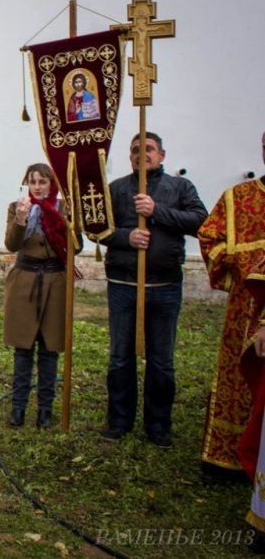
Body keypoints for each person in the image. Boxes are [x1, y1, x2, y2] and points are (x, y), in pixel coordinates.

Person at [98, 132, 207, 448]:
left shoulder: (180, 188)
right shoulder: (116, 189)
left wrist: (156, 210)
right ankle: (119, 421)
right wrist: (125, 238)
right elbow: (98, 228)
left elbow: (200, 222)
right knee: (120, 357)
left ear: (161, 154)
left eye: (147, 149)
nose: (140, 154)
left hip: (164, 286)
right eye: (134, 150)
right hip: (123, 285)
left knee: (161, 361)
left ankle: (158, 425)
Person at [199, 131, 265, 486]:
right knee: (236, 375)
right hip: (245, 306)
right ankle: (225, 455)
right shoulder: (237, 197)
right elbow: (209, 238)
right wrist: (239, 267)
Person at [3, 163, 77, 429]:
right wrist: (21, 220)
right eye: (32, 182)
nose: (37, 187)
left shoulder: (63, 209)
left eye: (43, 182)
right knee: (23, 348)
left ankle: (45, 410)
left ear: (51, 184)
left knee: (49, 349)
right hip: (25, 282)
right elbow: (12, 244)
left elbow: (74, 245)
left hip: (55, 282)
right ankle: (18, 409)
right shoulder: (17, 207)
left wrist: (68, 221)